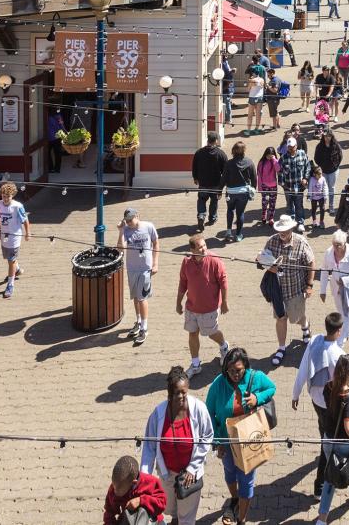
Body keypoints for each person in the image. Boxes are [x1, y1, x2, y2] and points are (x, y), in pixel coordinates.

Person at [206, 347, 276, 525]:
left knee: (246, 480)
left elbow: (271, 388)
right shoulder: (218, 383)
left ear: (245, 366)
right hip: (226, 440)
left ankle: (242, 519)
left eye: (238, 370)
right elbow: (209, 413)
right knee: (229, 473)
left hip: (248, 440)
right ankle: (234, 499)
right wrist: (217, 442)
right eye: (230, 370)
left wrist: (257, 398)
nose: (234, 374)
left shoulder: (255, 377)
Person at [140, 366, 214, 525]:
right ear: (169, 393)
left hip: (189, 477)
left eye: (184, 392)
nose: (181, 396)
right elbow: (149, 448)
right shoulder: (158, 414)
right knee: (170, 508)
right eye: (177, 393)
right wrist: (144, 479)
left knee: (186, 518)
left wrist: (193, 468)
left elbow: (207, 436)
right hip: (167, 474)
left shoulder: (198, 408)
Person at [292, 312, 346, 497]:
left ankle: (324, 438)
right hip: (330, 406)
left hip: (315, 400)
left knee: (323, 430)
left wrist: (295, 393)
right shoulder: (339, 355)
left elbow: (303, 368)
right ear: (339, 331)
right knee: (327, 444)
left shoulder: (314, 340)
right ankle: (319, 486)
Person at [261, 214, 316, 366]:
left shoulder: (301, 242)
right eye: (280, 230)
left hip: (296, 290)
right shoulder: (271, 241)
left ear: (292, 228)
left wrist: (309, 285)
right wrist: (263, 262)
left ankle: (305, 326)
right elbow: (262, 259)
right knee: (281, 318)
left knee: (298, 317)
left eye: (285, 230)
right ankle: (281, 348)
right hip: (277, 291)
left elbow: (311, 263)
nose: (282, 233)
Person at [316, 354, 349, 523]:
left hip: (328, 440)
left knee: (330, 478)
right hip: (346, 444)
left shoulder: (328, 387)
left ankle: (322, 518)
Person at [177, 233, 230, 378]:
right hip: (192, 307)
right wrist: (178, 303)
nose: (204, 249)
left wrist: (224, 302)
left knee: (211, 333)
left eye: (204, 245)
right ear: (192, 250)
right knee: (192, 333)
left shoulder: (214, 261)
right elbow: (183, 283)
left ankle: (224, 347)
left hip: (209, 308)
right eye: (200, 247)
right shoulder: (186, 262)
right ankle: (195, 365)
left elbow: (223, 283)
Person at [116, 208, 160, 345]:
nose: (129, 222)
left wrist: (155, 263)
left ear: (137, 216)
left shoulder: (149, 226)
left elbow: (156, 243)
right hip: (131, 268)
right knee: (135, 297)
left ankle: (144, 328)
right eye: (127, 220)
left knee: (142, 298)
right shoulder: (126, 230)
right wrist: (121, 231)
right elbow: (120, 249)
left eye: (131, 219)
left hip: (145, 269)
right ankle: (139, 321)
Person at [320, 232, 349, 342]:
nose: (336, 247)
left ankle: (341, 339)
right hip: (336, 289)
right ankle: (348, 330)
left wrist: (345, 281)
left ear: (345, 243)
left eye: (339, 244)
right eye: (334, 244)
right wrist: (322, 290)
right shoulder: (328, 253)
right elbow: (324, 271)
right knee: (342, 311)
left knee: (346, 313)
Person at [104, 455, 167, 525]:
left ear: (133, 482)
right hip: (128, 520)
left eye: (119, 490)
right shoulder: (116, 485)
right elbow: (109, 512)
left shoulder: (151, 482)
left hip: (151, 519)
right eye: (114, 487)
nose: (115, 491)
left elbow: (162, 503)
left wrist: (140, 500)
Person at [0, 181, 30, 300]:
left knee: (11, 260)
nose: (6, 199)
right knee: (9, 258)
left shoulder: (17, 206)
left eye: (8, 196)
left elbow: (25, 220)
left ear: (12, 195)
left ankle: (10, 284)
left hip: (15, 236)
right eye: (3, 196)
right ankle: (17, 270)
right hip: (4, 236)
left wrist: (27, 233)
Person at [192, 132, 227, 233]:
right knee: (214, 201)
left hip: (203, 183)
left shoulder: (199, 152)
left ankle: (201, 216)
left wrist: (195, 178)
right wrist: (223, 184)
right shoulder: (221, 154)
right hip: (216, 183)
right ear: (216, 141)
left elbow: (194, 166)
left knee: (202, 200)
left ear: (207, 140)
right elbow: (225, 170)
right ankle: (212, 218)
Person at [223, 142, 257, 242]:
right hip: (243, 192)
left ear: (233, 150)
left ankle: (229, 231)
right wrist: (254, 188)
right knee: (240, 213)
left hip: (230, 192)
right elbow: (254, 178)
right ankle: (238, 235)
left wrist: (219, 190)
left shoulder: (229, 163)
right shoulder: (249, 162)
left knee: (230, 210)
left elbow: (224, 178)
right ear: (244, 150)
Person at [279, 137, 311, 229]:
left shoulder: (302, 154)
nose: (291, 148)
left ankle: (300, 222)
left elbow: (307, 167)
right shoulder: (283, 157)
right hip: (287, 187)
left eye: (293, 146)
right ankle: (291, 221)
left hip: (299, 186)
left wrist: (305, 178)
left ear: (296, 146)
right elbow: (280, 171)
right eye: (289, 147)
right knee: (289, 205)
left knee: (299, 205)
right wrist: (281, 183)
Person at [256, 146, 281, 226]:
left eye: (271, 155)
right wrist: (260, 187)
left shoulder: (274, 161)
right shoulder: (261, 163)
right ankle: (264, 216)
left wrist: (274, 160)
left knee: (272, 203)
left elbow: (278, 169)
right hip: (264, 186)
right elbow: (259, 176)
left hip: (273, 186)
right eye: (268, 155)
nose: (269, 156)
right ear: (265, 154)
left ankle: (271, 218)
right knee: (264, 202)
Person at [308, 166, 329, 230]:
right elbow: (310, 188)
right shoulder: (311, 179)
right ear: (314, 174)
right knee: (313, 209)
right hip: (314, 198)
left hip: (321, 197)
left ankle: (321, 221)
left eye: (321, 174)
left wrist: (325, 196)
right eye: (319, 174)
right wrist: (309, 196)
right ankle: (314, 221)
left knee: (322, 209)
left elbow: (325, 187)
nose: (320, 175)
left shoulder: (323, 179)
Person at [46, 108, 66, 173]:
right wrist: (64, 132)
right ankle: (57, 169)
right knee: (57, 153)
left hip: (50, 137)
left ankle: (50, 168)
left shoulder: (49, 117)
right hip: (57, 137)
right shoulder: (59, 116)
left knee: (48, 153)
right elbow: (61, 126)